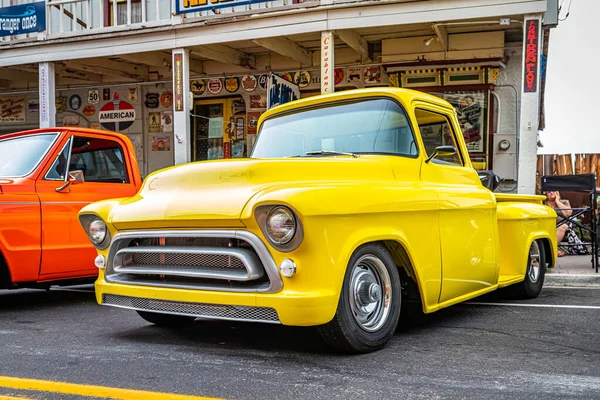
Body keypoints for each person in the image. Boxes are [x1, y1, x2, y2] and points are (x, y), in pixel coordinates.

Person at [545, 191, 572, 256]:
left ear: (557, 193)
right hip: (545, 226)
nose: (551, 193)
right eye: (549, 191)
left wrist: (557, 201)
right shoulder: (543, 203)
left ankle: (550, 249)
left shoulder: (564, 202)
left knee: (563, 226)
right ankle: (554, 250)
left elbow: (568, 214)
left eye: (553, 191)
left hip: (559, 226)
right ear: (546, 194)